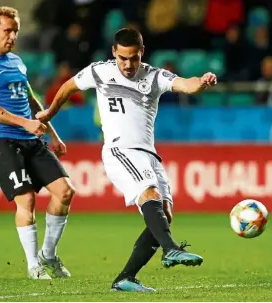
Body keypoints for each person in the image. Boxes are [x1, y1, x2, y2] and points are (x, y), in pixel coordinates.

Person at [36, 28, 217, 291]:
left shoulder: (154, 76)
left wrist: (202, 81)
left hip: (148, 154)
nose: (128, 64)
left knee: (164, 214)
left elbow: (185, 84)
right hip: (120, 150)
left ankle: (125, 278)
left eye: (133, 58)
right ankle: (170, 250)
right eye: (122, 58)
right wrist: (50, 113)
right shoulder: (99, 71)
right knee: (150, 194)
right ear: (114, 52)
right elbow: (68, 86)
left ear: (141, 53)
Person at [0, 6, 75, 280]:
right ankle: (32, 265)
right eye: (7, 30)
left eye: (15, 31)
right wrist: (26, 123)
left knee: (65, 191)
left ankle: (48, 256)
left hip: (32, 139)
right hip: (2, 141)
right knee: (26, 199)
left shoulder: (17, 62)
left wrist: (53, 134)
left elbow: (31, 100)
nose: (12, 36)